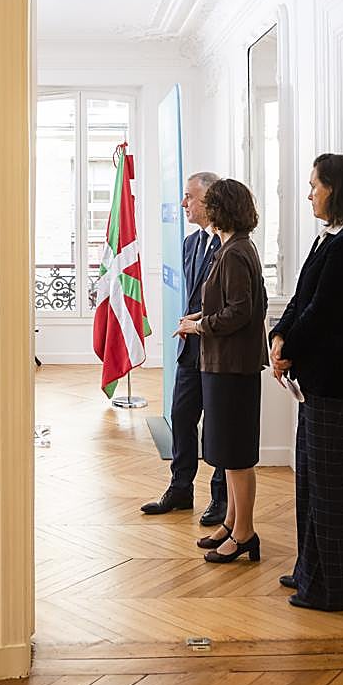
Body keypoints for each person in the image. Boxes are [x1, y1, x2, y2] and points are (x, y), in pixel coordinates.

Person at [269, 153, 343, 611]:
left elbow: (324, 313)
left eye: (314, 185)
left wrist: (288, 348)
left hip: (336, 381)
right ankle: (309, 572)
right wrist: (279, 336)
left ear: (335, 188)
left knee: (327, 486)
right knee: (310, 482)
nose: (309, 194)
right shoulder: (332, 238)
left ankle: (334, 588)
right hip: (318, 379)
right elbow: (302, 299)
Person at [180, 179, 268, 562]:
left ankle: (245, 533)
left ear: (222, 209)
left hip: (233, 366)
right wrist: (197, 317)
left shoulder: (234, 252)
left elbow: (240, 311)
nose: (205, 210)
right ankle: (232, 523)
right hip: (224, 364)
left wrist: (201, 326)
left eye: (210, 204)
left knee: (237, 455)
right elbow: (229, 303)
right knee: (228, 452)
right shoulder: (234, 247)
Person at [141, 172, 228, 525]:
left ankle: (221, 497)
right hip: (191, 346)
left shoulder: (230, 244)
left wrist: (200, 323)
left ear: (209, 199)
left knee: (218, 425)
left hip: (220, 349)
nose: (183, 203)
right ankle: (180, 488)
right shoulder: (191, 242)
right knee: (181, 415)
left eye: (189, 196)